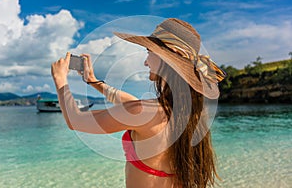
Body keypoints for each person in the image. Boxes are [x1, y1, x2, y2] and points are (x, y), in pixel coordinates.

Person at [51, 18, 226, 188]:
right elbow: (133, 104)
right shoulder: (187, 111)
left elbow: (76, 120)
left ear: (168, 58)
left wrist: (61, 81)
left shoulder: (144, 113)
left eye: (149, 52)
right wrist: (93, 81)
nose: (145, 61)